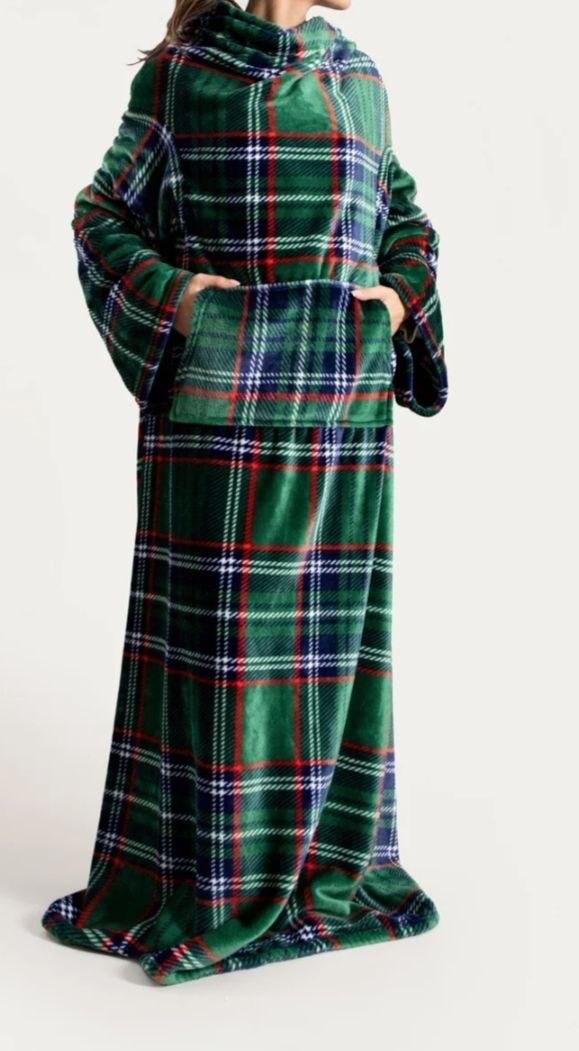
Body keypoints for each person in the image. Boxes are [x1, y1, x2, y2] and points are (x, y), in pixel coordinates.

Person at [41, 0, 448, 986]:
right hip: (216, 430)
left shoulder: (360, 78)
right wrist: (182, 299)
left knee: (334, 660)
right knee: (223, 660)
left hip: (342, 419)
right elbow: (100, 216)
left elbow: (404, 221)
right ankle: (214, 875)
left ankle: (324, 864)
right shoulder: (181, 77)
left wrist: (398, 298)